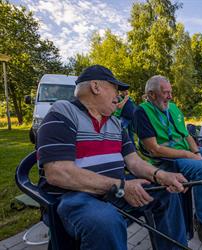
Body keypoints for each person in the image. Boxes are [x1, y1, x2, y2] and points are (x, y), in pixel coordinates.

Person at [36, 65, 188, 250]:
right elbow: (58, 173)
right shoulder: (63, 112)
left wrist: (161, 175)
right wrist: (121, 186)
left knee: (166, 191)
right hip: (73, 197)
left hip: (115, 190)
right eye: (116, 89)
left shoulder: (115, 123)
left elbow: (134, 161)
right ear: (96, 87)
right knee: (106, 221)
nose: (119, 96)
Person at [133, 75, 202, 247]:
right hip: (165, 159)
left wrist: (197, 152)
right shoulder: (141, 112)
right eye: (165, 92)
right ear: (151, 95)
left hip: (186, 151)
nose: (170, 96)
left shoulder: (173, 108)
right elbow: (154, 149)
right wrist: (190, 156)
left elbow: (186, 135)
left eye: (170, 92)